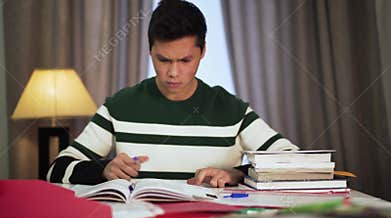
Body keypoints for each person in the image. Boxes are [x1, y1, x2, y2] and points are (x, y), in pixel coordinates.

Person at [47, 0, 298, 187]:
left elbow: (294, 165)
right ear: (150, 51)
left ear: (203, 52)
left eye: (185, 60)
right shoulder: (119, 107)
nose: (173, 73)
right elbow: (56, 170)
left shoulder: (232, 110)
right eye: (163, 60)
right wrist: (102, 170)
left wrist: (237, 174)